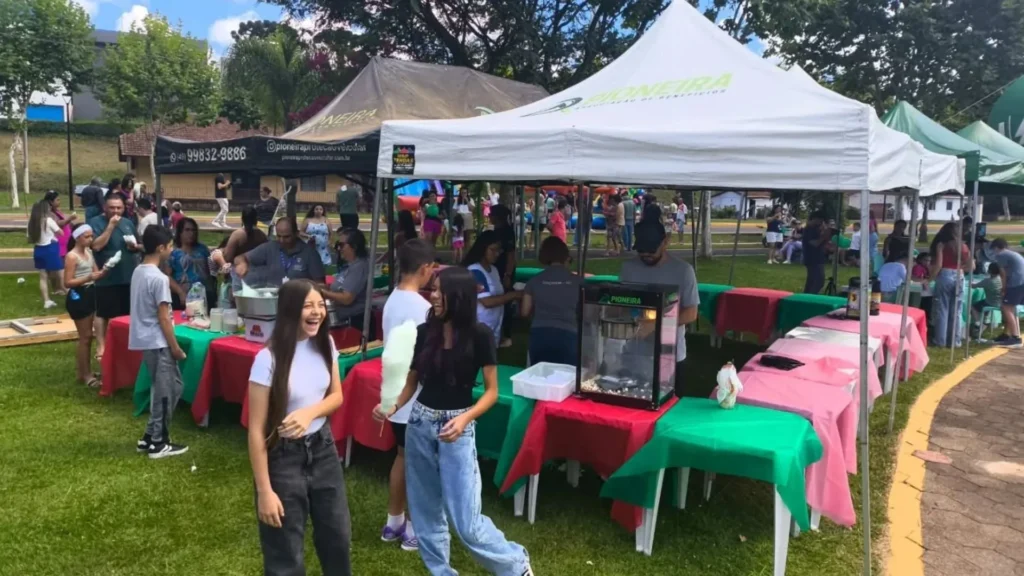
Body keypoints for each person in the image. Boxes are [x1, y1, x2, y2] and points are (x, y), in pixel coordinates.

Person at [381, 267, 532, 576]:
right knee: (425, 513)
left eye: (439, 291)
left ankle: (515, 565)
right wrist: (393, 405)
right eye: (433, 289)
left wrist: (465, 419)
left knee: (466, 521)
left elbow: (491, 392)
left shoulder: (480, 335)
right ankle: (441, 572)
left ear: (458, 296)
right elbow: (413, 382)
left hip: (456, 429)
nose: (432, 295)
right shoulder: (426, 332)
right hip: (420, 424)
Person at [247, 279, 352, 575]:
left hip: (323, 450)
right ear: (290, 310)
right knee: (286, 553)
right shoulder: (267, 359)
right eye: (308, 306)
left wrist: (309, 413)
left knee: (338, 538)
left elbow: (337, 396)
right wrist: (264, 490)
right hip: (283, 458)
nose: (317, 312)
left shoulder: (325, 344)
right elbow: (256, 430)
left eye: (321, 305)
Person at [373, 239, 436, 553]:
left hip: (396, 393)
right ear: (425, 269)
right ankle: (413, 527)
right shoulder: (424, 308)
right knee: (419, 465)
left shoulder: (392, 299)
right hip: (414, 397)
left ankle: (393, 520)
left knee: (402, 456)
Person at [620, 221, 699, 397]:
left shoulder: (683, 271)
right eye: (641, 251)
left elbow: (691, 313)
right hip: (634, 352)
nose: (646, 255)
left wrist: (656, 324)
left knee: (669, 406)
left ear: (665, 242)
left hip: (670, 354)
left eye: (651, 250)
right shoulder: (628, 268)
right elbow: (623, 304)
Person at [131, 225, 188, 459]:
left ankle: (149, 435)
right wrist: (175, 347)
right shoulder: (158, 278)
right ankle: (158, 442)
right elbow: (163, 316)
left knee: (170, 385)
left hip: (147, 340)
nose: (172, 250)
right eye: (170, 246)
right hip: (158, 341)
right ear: (161, 248)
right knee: (167, 390)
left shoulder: (139, 271)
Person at [89, 191, 141, 358]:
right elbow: (96, 246)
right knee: (103, 313)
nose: (116, 211)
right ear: (105, 207)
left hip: (127, 275)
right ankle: (101, 347)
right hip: (106, 277)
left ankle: (123, 346)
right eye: (112, 208)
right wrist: (110, 226)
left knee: (126, 313)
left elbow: (138, 243)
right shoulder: (95, 223)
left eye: (119, 208)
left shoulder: (128, 223)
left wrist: (135, 247)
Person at [522, 237, 581, 365]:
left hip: (539, 334)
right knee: (566, 380)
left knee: (539, 378)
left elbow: (524, 312)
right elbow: (585, 313)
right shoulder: (578, 282)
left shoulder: (533, 281)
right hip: (568, 334)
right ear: (565, 255)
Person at [462, 230, 523, 348]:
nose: (497, 253)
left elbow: (498, 295)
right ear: (483, 248)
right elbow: (487, 301)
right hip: (479, 328)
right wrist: (514, 295)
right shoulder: (475, 270)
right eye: (493, 249)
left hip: (493, 328)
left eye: (499, 250)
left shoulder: (493, 270)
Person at [64, 224, 107, 388]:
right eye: (87, 236)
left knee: (90, 336)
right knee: (85, 337)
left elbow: (96, 273)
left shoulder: (89, 253)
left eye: (91, 236)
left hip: (90, 294)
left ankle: (84, 371)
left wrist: (105, 271)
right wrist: (88, 277)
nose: (90, 239)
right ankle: (85, 374)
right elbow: (67, 282)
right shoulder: (72, 256)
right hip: (78, 296)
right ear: (77, 237)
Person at [235, 217, 325, 287]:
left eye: (286, 237)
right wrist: (242, 263)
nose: (282, 240)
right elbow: (240, 257)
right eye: (278, 236)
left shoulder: (310, 254)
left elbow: (320, 284)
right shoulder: (270, 247)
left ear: (296, 234)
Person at [929, 222, 973, 347]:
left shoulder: (942, 245)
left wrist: (930, 279)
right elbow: (971, 266)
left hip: (945, 274)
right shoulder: (964, 246)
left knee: (942, 309)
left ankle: (940, 340)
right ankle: (955, 341)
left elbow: (938, 265)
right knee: (957, 310)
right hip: (959, 274)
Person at [220, 206, 269, 305]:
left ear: (242, 219)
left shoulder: (237, 235)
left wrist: (222, 252)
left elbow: (227, 258)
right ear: (256, 219)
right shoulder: (262, 236)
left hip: (239, 278)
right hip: (258, 280)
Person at [322, 228, 370, 328]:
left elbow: (347, 298)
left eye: (341, 245)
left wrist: (323, 293)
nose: (339, 249)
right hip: (347, 320)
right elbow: (339, 286)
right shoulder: (351, 266)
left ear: (354, 246)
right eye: (338, 245)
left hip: (355, 323)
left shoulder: (359, 267)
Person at [167, 217, 213, 311]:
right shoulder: (173, 252)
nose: (191, 233)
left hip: (204, 296)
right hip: (183, 297)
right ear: (180, 232)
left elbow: (211, 270)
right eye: (187, 230)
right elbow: (167, 276)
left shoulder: (202, 249)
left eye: (193, 230)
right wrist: (180, 292)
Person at [488, 205, 518, 346]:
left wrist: (508, 274)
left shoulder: (507, 232)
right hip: (496, 270)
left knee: (505, 300)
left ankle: (506, 334)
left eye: (491, 214)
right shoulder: (498, 230)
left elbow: (511, 254)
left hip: (504, 270)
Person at [28, 199, 66, 309]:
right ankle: (73, 296)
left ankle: (46, 301)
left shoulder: (31, 223)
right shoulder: (48, 220)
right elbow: (61, 232)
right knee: (61, 274)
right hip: (50, 248)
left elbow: (29, 238)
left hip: (38, 249)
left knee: (43, 277)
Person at [990, 238, 1024, 347]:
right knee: (1010, 308)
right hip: (1021, 282)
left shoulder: (1001, 255)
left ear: (996, 248)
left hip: (1015, 283)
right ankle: (1006, 334)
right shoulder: (1012, 254)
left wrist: (1003, 288)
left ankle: (1015, 337)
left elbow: (1003, 274)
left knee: (1006, 308)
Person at [801, 211, 832, 294]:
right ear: (815, 219)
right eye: (820, 220)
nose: (821, 223)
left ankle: (806, 296)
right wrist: (823, 237)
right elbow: (814, 243)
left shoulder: (816, 229)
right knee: (819, 281)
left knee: (811, 281)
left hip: (818, 257)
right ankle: (811, 297)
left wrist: (827, 237)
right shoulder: (808, 229)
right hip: (812, 258)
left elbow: (822, 243)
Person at [971, 261, 1002, 335]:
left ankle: (978, 323)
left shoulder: (987, 281)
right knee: (984, 303)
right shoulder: (1001, 279)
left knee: (972, 307)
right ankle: (984, 323)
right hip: (1000, 303)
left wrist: (971, 282)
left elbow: (974, 286)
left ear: (989, 270)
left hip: (990, 303)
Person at [44, 190, 77, 259]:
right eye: (57, 200)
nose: (59, 201)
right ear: (51, 202)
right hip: (59, 244)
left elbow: (65, 222)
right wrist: (69, 219)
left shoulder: (57, 211)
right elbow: (58, 224)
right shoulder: (49, 213)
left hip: (65, 242)